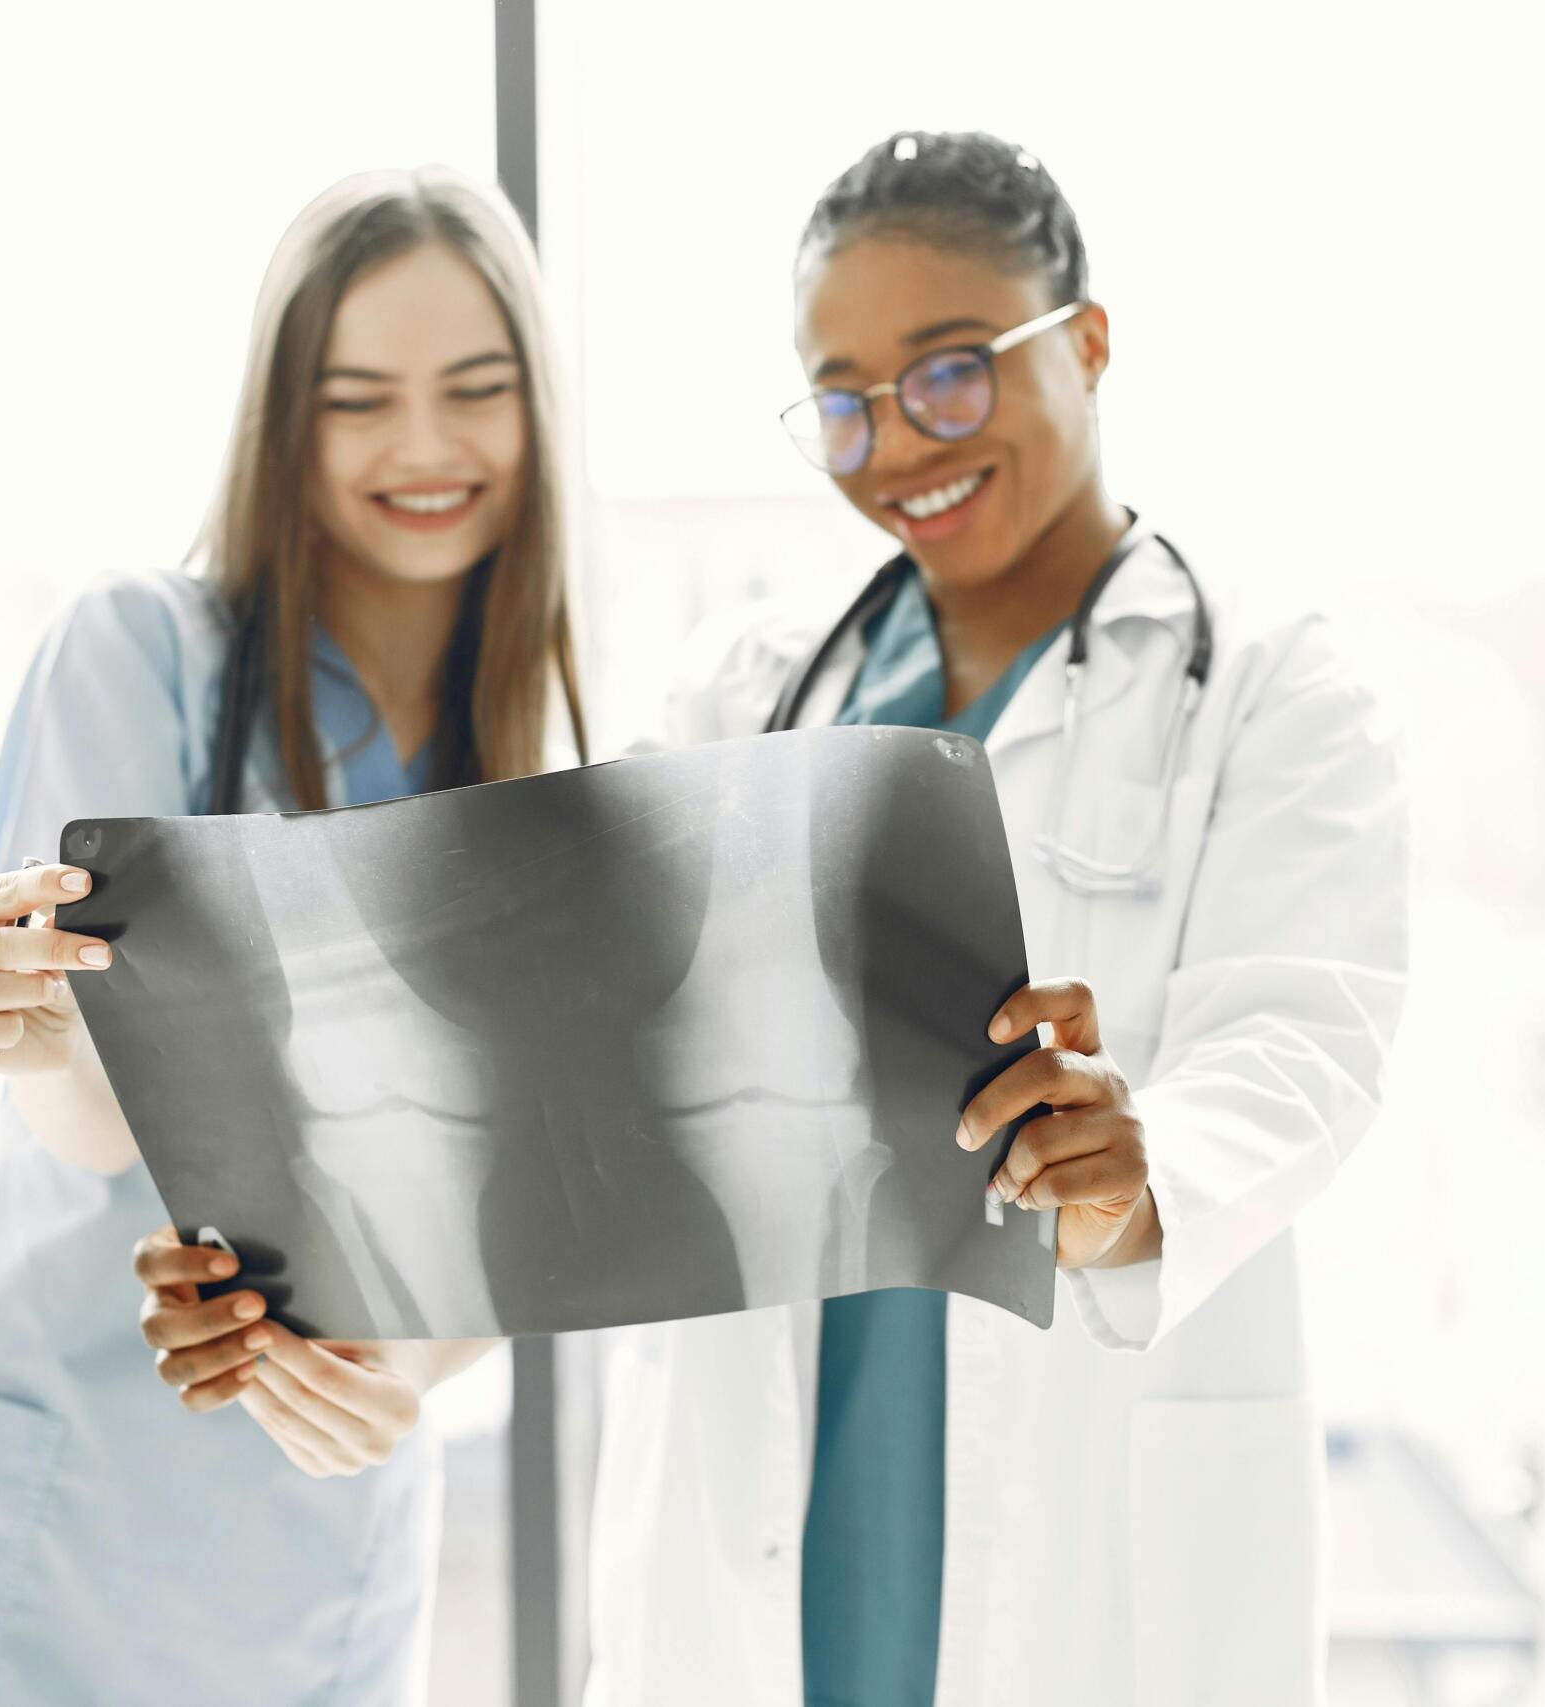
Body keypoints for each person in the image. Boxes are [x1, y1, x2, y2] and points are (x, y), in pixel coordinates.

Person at [576, 130, 1409, 1706]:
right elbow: (576, 991)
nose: (898, 443)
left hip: (1091, 1537)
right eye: (844, 400)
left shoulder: (1269, 689)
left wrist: (1138, 1175)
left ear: (1085, 343)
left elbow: (1303, 1040)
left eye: (950, 374)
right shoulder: (738, 699)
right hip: (755, 1536)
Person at [0, 164, 587, 1707]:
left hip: (314, 1555)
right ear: (283, 425)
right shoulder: (141, 651)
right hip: (19, 1532)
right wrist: (38, 1029)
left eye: (477, 391)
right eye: (357, 402)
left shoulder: (554, 769)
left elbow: (543, 1201)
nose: (425, 447)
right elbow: (88, 1127)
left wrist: (405, 1369)